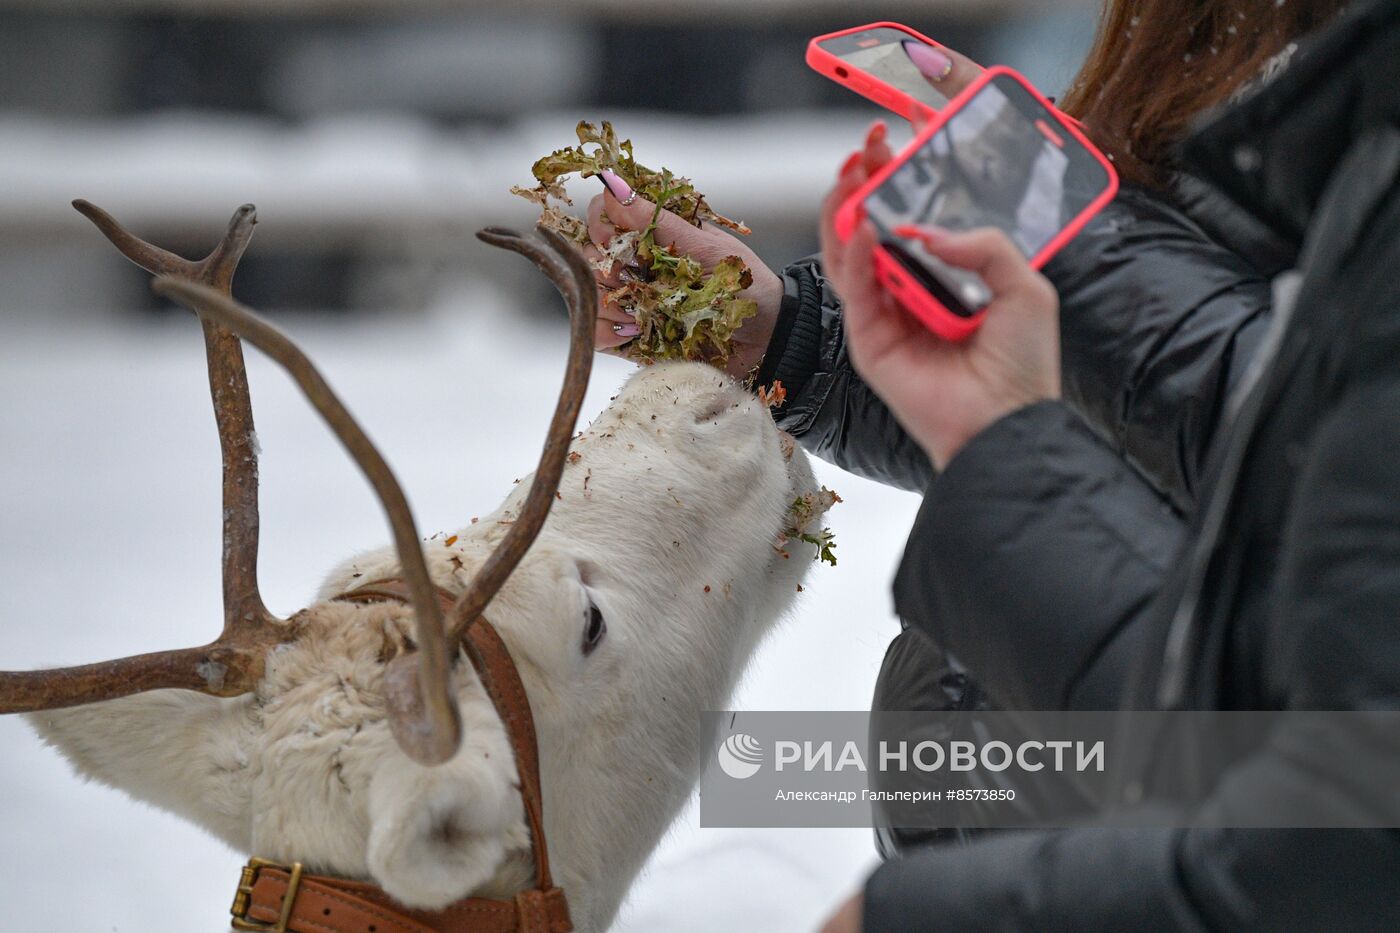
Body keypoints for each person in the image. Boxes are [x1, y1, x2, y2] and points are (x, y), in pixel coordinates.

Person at [588, 0, 1345, 854]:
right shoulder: (1221, 49)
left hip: (1161, 853)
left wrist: (1069, 230)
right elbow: (1124, 427)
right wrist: (793, 338)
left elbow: (1299, 440)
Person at [813, 0, 1400, 926]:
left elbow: (1334, 848)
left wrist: (1051, 217)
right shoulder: (1316, 118)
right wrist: (794, 344)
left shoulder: (1318, 128)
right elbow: (1239, 684)